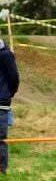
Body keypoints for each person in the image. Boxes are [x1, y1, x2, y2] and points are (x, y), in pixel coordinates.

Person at [0, 38, 19, 174]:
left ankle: (1, 170)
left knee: (0, 139)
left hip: (1, 102)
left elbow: (14, 78)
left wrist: (7, 95)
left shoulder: (5, 55)